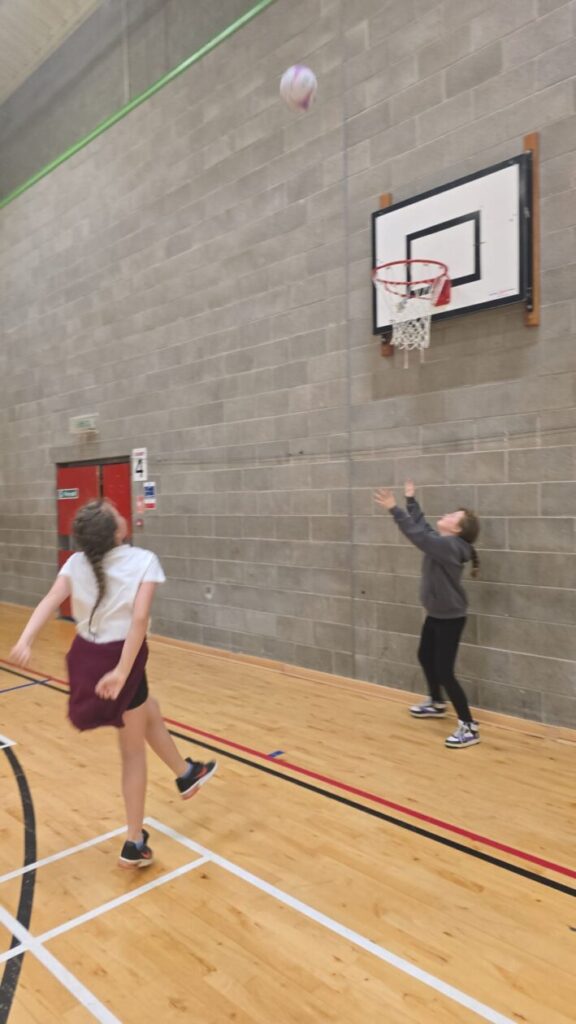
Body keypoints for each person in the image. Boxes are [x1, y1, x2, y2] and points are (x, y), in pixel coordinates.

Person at [10, 499, 217, 867]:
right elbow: (139, 620)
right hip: (120, 659)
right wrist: (122, 670)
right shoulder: (144, 560)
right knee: (132, 750)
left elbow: (51, 599)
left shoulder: (76, 562)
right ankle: (134, 842)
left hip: (86, 658)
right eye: (116, 513)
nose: (121, 513)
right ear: (117, 531)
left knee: (148, 708)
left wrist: (26, 639)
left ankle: (186, 774)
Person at [373, 481, 481, 749]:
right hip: (436, 614)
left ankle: (469, 726)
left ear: (457, 529)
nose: (446, 514)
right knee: (424, 655)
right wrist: (411, 501)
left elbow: (418, 536)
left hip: (450, 619)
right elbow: (423, 529)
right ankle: (436, 702)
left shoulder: (450, 546)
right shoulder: (444, 542)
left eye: (453, 515)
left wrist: (395, 509)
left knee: (445, 671)